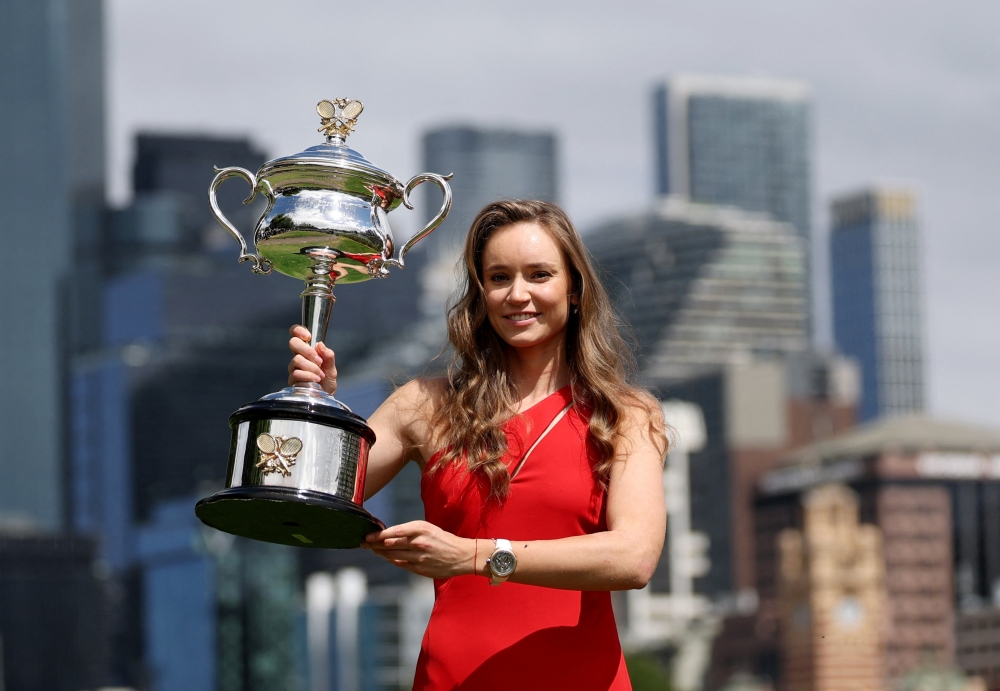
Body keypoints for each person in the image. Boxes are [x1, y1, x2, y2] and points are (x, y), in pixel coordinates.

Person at [287, 199, 668, 690]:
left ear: (574, 289)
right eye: (499, 277)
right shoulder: (422, 405)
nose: (518, 294)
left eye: (539, 275)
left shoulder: (626, 415)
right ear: (480, 293)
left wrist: (473, 556)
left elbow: (634, 558)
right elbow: (310, 497)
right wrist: (318, 405)